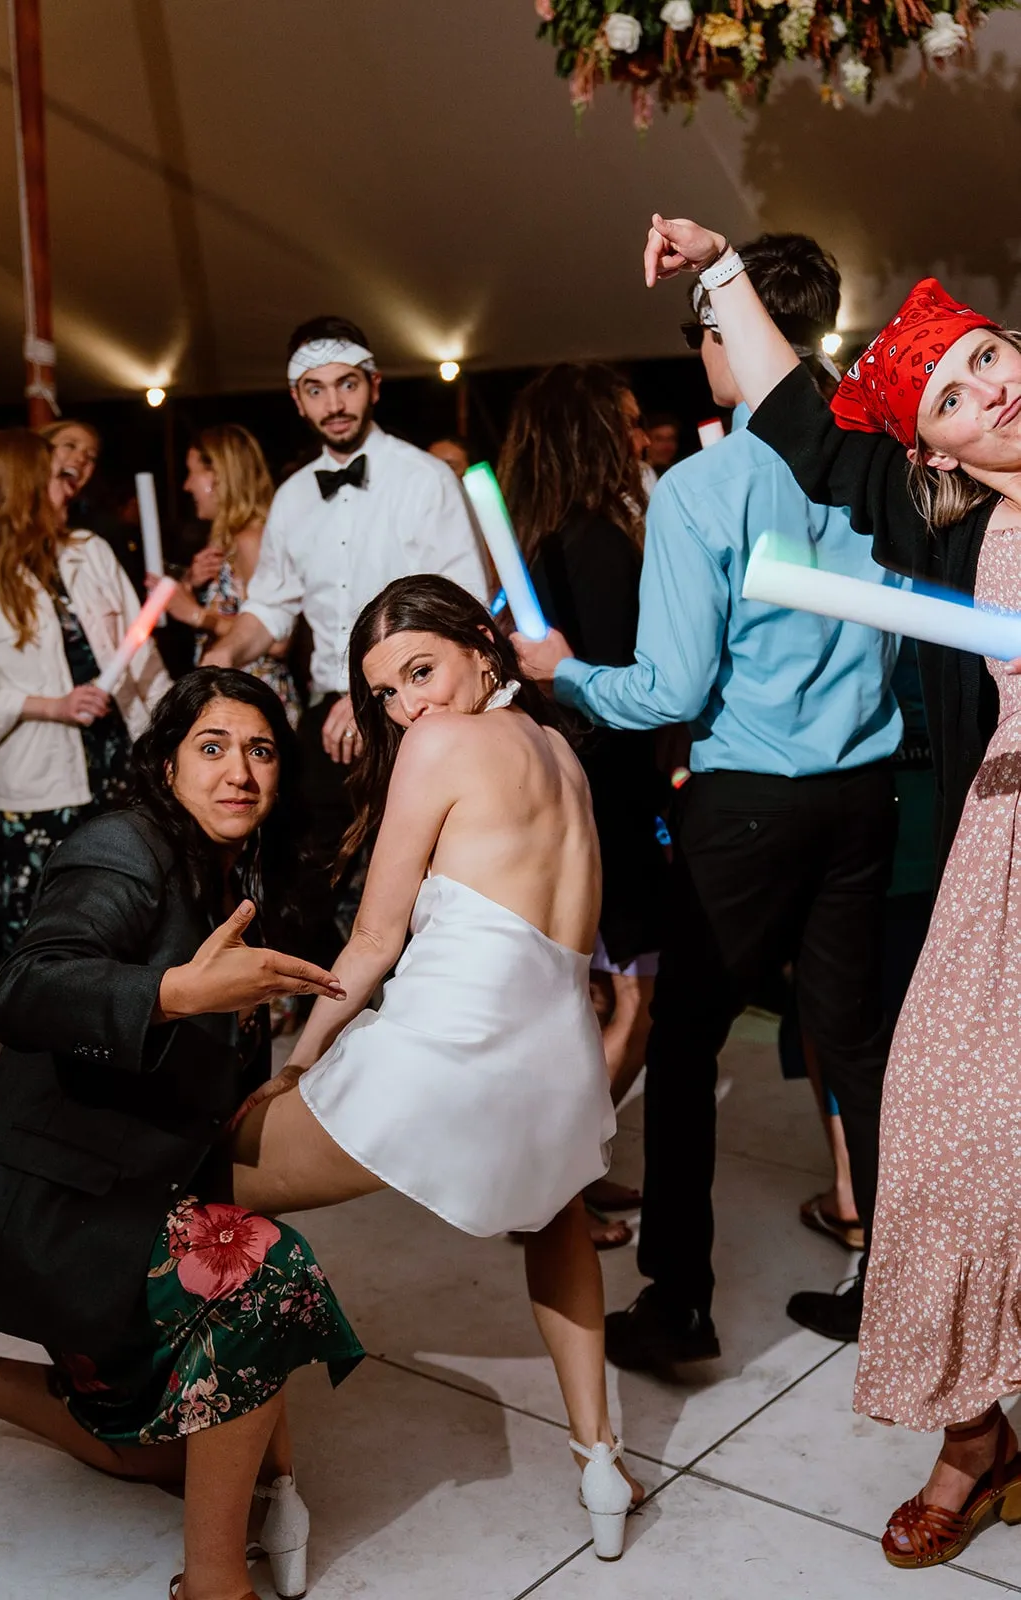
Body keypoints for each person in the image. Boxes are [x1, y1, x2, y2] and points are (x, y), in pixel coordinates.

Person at [640, 212, 1021, 1569]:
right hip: (1001, 867)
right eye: (955, 393)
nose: (993, 388)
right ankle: (972, 1436)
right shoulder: (944, 531)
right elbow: (799, 423)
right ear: (934, 449)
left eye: (992, 355)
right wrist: (717, 269)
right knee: (934, 1122)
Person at [515, 233, 905, 1366]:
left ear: (723, 338)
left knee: (684, 1045)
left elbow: (667, 691)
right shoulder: (876, 462)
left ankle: (676, 1300)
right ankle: (887, 1283)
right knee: (857, 1046)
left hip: (746, 803)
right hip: (864, 792)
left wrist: (562, 670)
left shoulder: (702, 487)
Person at [229, 574, 643, 1560]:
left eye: (419, 671)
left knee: (209, 1188)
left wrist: (294, 1066)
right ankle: (600, 1466)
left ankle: (270, 1486)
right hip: (557, 1078)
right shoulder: (560, 752)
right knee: (557, 1231)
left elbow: (371, 940)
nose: (407, 706)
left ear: (480, 646)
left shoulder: (438, 745)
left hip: (440, 1065)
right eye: (384, 694)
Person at [0, 668, 363, 1600]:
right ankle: (214, 1586)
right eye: (211, 747)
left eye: (260, 750)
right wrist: (178, 991)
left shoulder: (239, 868)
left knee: (155, 1457)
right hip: (48, 1197)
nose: (239, 773)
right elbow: (29, 985)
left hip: (131, 1185)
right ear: (167, 761)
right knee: (269, 1279)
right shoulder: (122, 845)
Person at [203, 318, 487, 945]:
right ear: (296, 399)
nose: (334, 403)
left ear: (375, 386)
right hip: (326, 720)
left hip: (413, 714)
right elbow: (271, 609)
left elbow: (463, 609)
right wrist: (219, 655)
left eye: (347, 384)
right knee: (305, 881)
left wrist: (375, 698)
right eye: (315, 389)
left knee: (423, 888)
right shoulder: (291, 499)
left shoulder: (425, 480)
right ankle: (334, 1015)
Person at [498, 363, 664, 1249]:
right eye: (627, 423)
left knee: (589, 1003)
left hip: (569, 799)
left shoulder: (538, 540)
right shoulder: (597, 544)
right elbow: (626, 688)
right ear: (592, 435)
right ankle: (549, 1195)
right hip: (607, 800)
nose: (639, 439)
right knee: (627, 1005)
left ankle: (570, 1177)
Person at [0, 429, 170, 978]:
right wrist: (54, 705)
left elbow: (140, 652)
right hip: (40, 775)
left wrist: (175, 730)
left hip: (118, 757)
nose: (69, 482)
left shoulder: (89, 551)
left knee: (122, 900)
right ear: (20, 484)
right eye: (54, 473)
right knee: (46, 926)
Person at [162, 425, 299, 728]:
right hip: (231, 696)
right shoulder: (226, 541)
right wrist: (191, 583)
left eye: (192, 472)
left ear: (220, 476)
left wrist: (196, 614)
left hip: (258, 699)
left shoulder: (253, 539)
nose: (186, 486)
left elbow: (278, 641)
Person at [644, 411, 682, 477]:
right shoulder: (636, 476)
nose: (666, 447)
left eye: (671, 439)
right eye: (659, 439)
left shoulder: (680, 475)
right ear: (646, 441)